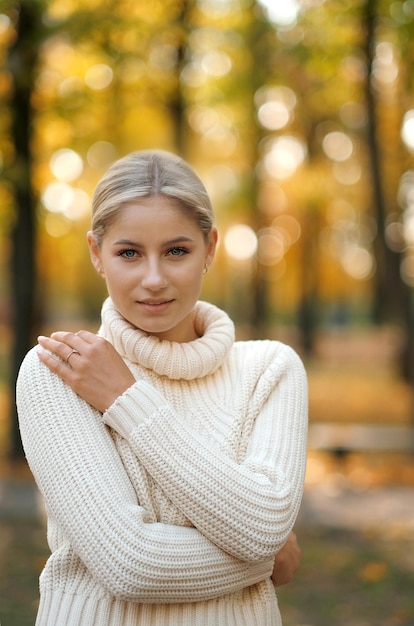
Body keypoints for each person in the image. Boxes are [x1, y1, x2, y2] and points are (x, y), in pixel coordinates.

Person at [16, 149, 308, 626]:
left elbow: (264, 524)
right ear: (97, 253)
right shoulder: (58, 372)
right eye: (129, 252)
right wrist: (268, 559)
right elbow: (132, 565)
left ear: (210, 248)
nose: (153, 279)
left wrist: (125, 399)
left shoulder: (270, 369)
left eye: (177, 251)